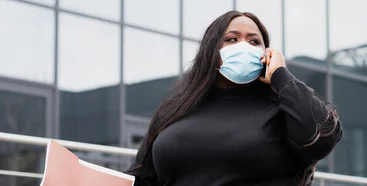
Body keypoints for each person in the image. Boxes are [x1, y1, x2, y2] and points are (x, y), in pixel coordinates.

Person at [125, 10, 343, 186]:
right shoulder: (174, 110)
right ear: (211, 50)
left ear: (266, 54)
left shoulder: (282, 107)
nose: (244, 46)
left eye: (254, 41)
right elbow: (141, 178)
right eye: (231, 39)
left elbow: (321, 138)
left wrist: (280, 75)